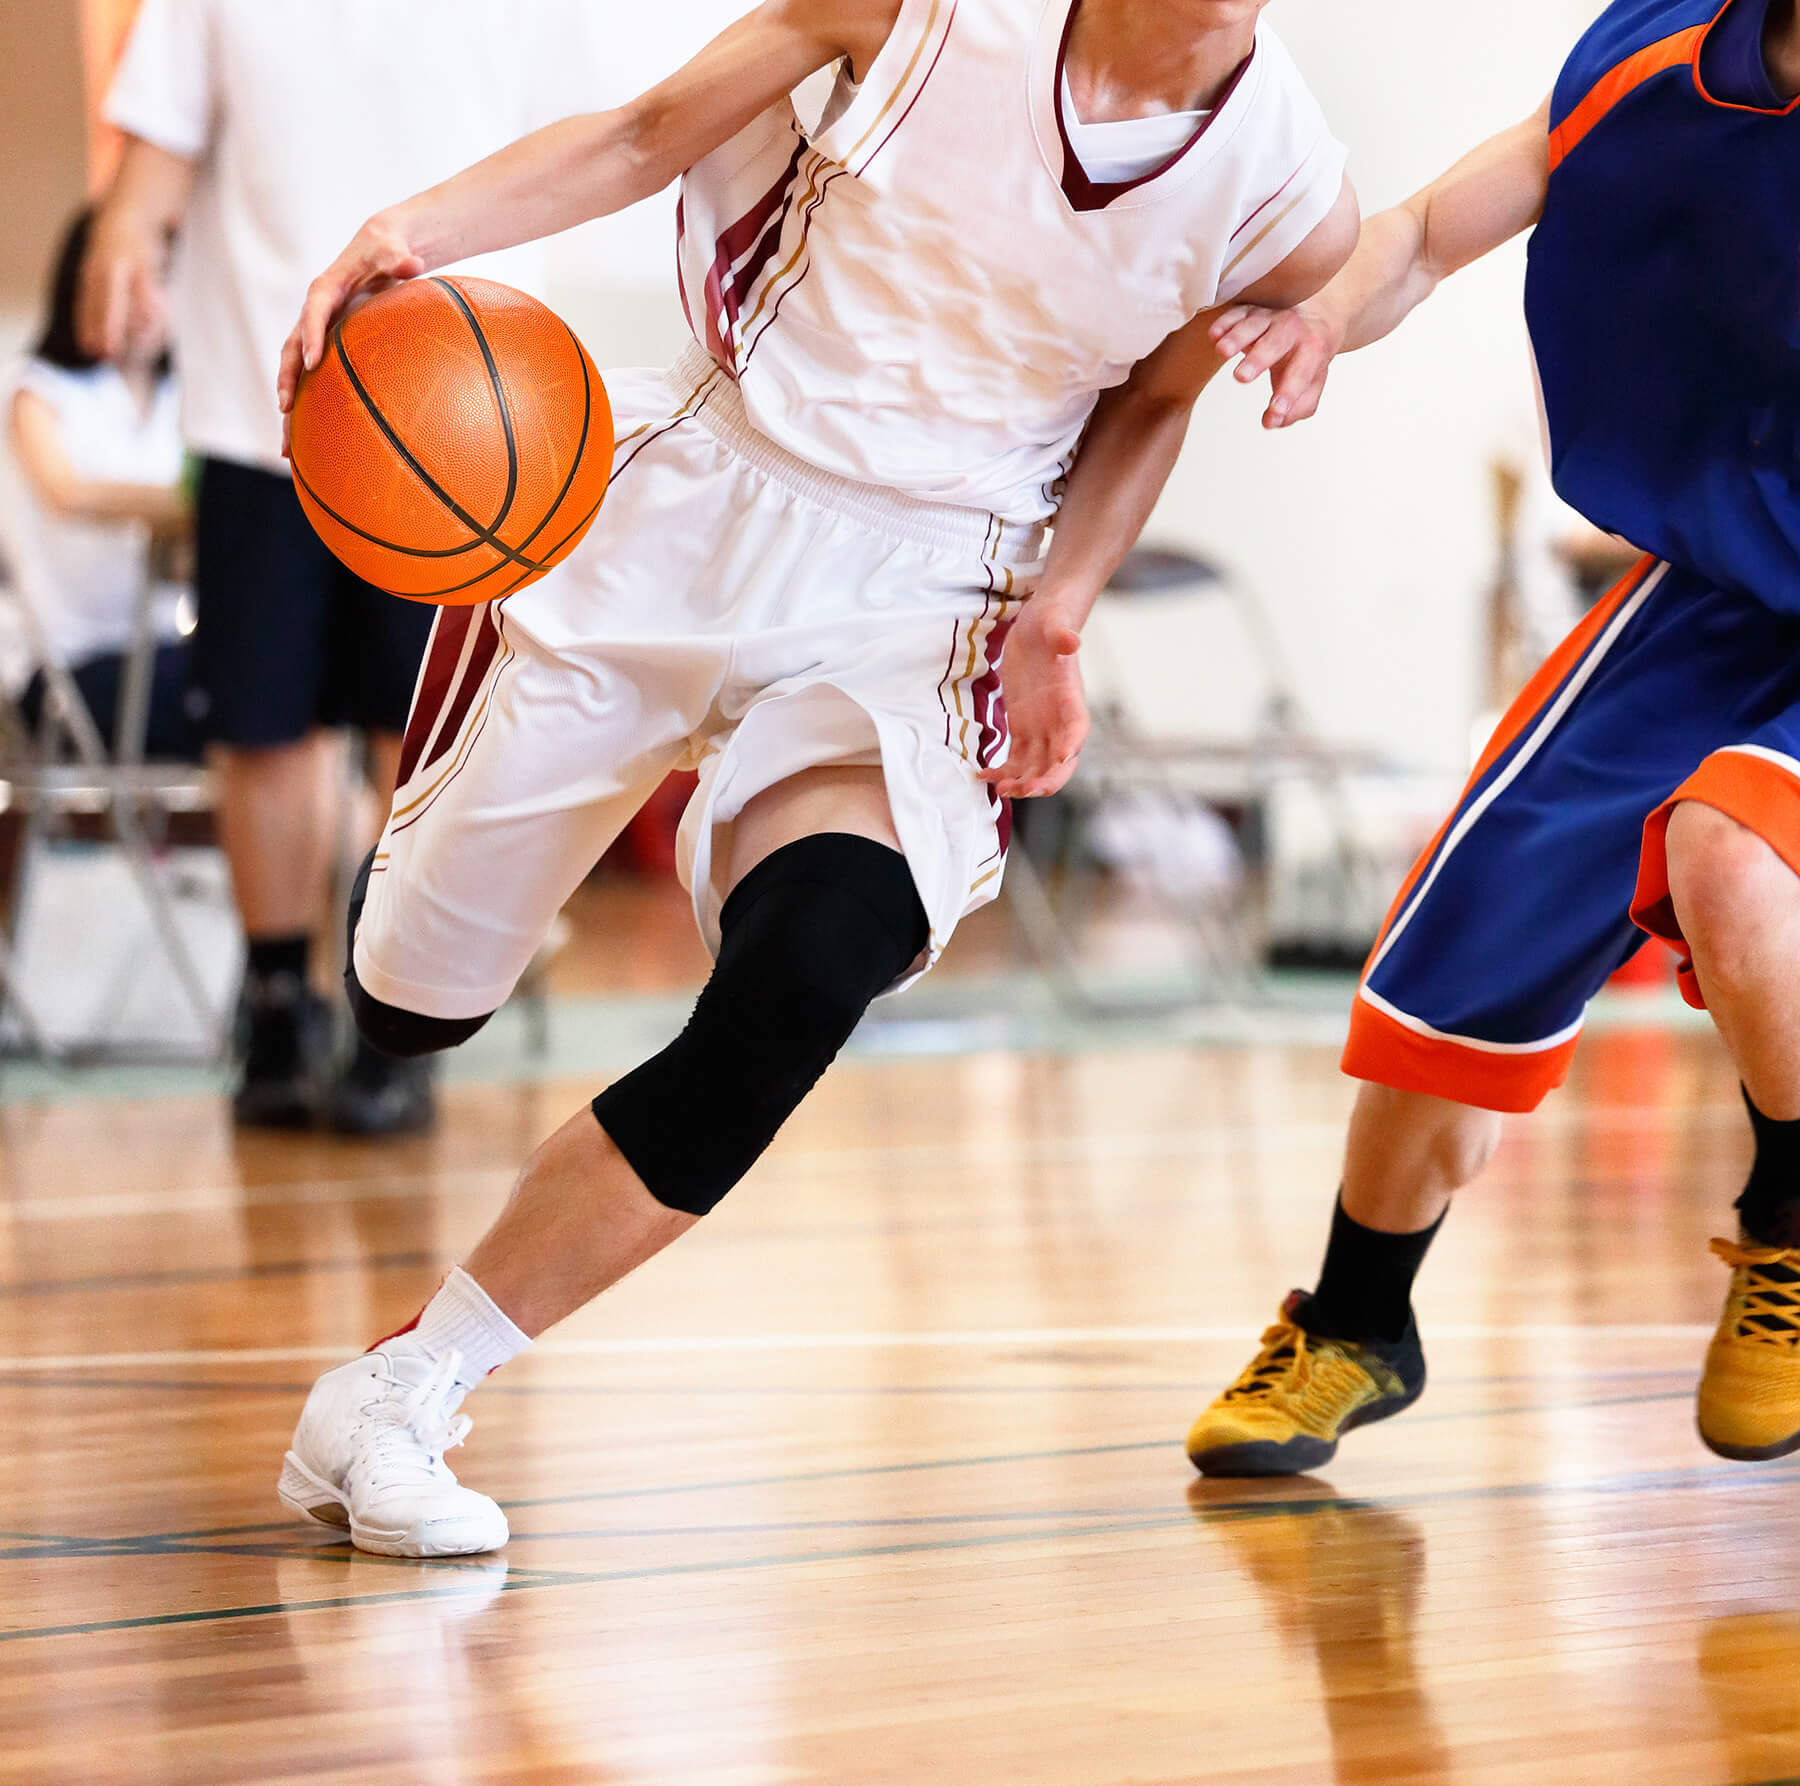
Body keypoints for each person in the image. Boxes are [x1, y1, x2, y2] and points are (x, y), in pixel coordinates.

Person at [270, 0, 1359, 1558]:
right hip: (702, 494)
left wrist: (1059, 615)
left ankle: (407, 1386)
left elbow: (1155, 399)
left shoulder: (1288, 196)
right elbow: (649, 136)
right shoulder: (924, 14)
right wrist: (403, 234)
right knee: (404, 1007)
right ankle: (441, 869)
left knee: (808, 970)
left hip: (926, 602)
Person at [1186, 0, 1800, 1477]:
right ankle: (1354, 1324)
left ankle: (1789, 1224)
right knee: (1480, 903)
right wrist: (1322, 313)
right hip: (1733, 580)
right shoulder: (1658, 70)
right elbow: (1423, 232)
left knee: (1732, 846)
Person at [79, 0, 556, 1134]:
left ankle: (390, 1010)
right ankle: (278, 1002)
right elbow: (146, 176)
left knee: (419, 730)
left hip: (448, 422)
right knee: (264, 727)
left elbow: (574, 159)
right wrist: (122, 253)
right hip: (260, 410)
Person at [4, 209, 194, 761]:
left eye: (163, 278)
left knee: (297, 672)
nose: (149, 304)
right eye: (129, 281)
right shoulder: (38, 392)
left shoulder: (180, 401)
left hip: (162, 650)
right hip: (70, 667)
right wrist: (193, 507)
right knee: (266, 686)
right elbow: (69, 492)